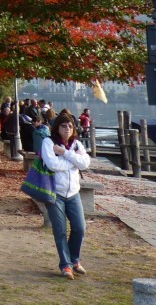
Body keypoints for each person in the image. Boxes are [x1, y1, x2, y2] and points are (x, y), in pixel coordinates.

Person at [41, 111, 91, 279]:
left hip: (73, 193)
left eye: (70, 126)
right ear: (57, 127)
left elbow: (84, 163)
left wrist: (65, 153)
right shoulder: (48, 142)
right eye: (64, 126)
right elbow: (52, 164)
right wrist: (73, 162)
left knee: (80, 228)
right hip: (55, 193)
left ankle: (74, 260)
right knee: (60, 230)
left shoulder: (76, 144)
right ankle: (65, 265)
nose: (68, 129)